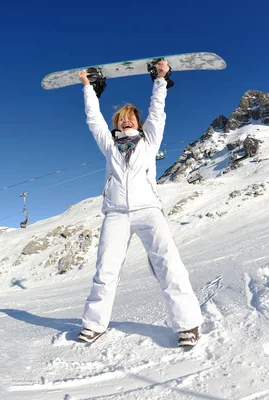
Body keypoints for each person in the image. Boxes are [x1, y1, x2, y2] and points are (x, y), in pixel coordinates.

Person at [77, 61, 203, 347]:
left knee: (168, 264)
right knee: (105, 269)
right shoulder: (109, 145)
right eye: (121, 118)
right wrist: (88, 88)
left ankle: (187, 326)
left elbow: (157, 113)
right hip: (116, 214)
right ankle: (95, 324)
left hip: (148, 211)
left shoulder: (149, 142)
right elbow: (93, 119)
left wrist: (160, 80)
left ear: (138, 122)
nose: (126, 120)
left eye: (131, 117)